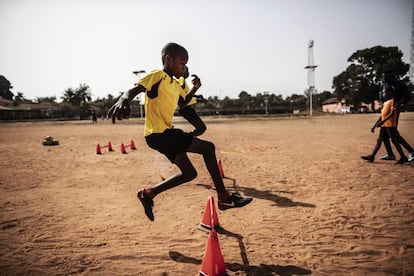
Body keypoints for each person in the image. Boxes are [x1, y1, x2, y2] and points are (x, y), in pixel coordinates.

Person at [107, 42, 252, 221]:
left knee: (189, 173)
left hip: (162, 136)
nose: (184, 68)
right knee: (208, 148)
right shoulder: (157, 75)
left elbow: (183, 104)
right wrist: (124, 99)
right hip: (159, 134)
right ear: (168, 60)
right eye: (181, 64)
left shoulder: (175, 84)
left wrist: (195, 89)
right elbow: (134, 89)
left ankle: (148, 194)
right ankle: (224, 198)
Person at [361, 85, 408, 164]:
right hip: (384, 126)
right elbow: (382, 116)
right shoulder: (385, 103)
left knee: (394, 141)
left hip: (390, 125)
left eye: (384, 92)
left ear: (390, 92)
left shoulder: (393, 101)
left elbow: (392, 113)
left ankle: (403, 157)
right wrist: (375, 125)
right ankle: (372, 156)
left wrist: (383, 121)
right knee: (379, 141)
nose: (383, 94)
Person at [380, 70, 414, 162]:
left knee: (393, 133)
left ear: (392, 75)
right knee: (384, 135)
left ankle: (410, 152)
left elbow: (408, 97)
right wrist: (382, 104)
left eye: (386, 76)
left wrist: (398, 104)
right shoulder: (383, 85)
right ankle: (390, 154)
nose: (384, 78)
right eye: (383, 76)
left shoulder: (399, 85)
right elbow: (381, 98)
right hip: (384, 110)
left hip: (394, 110)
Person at [178, 66, 207, 137]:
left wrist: (198, 98)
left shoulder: (183, 81)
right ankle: (183, 139)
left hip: (186, 108)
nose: (187, 73)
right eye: (185, 70)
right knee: (201, 128)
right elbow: (183, 98)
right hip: (185, 108)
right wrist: (195, 87)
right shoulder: (181, 80)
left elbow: (187, 96)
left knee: (201, 128)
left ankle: (185, 139)